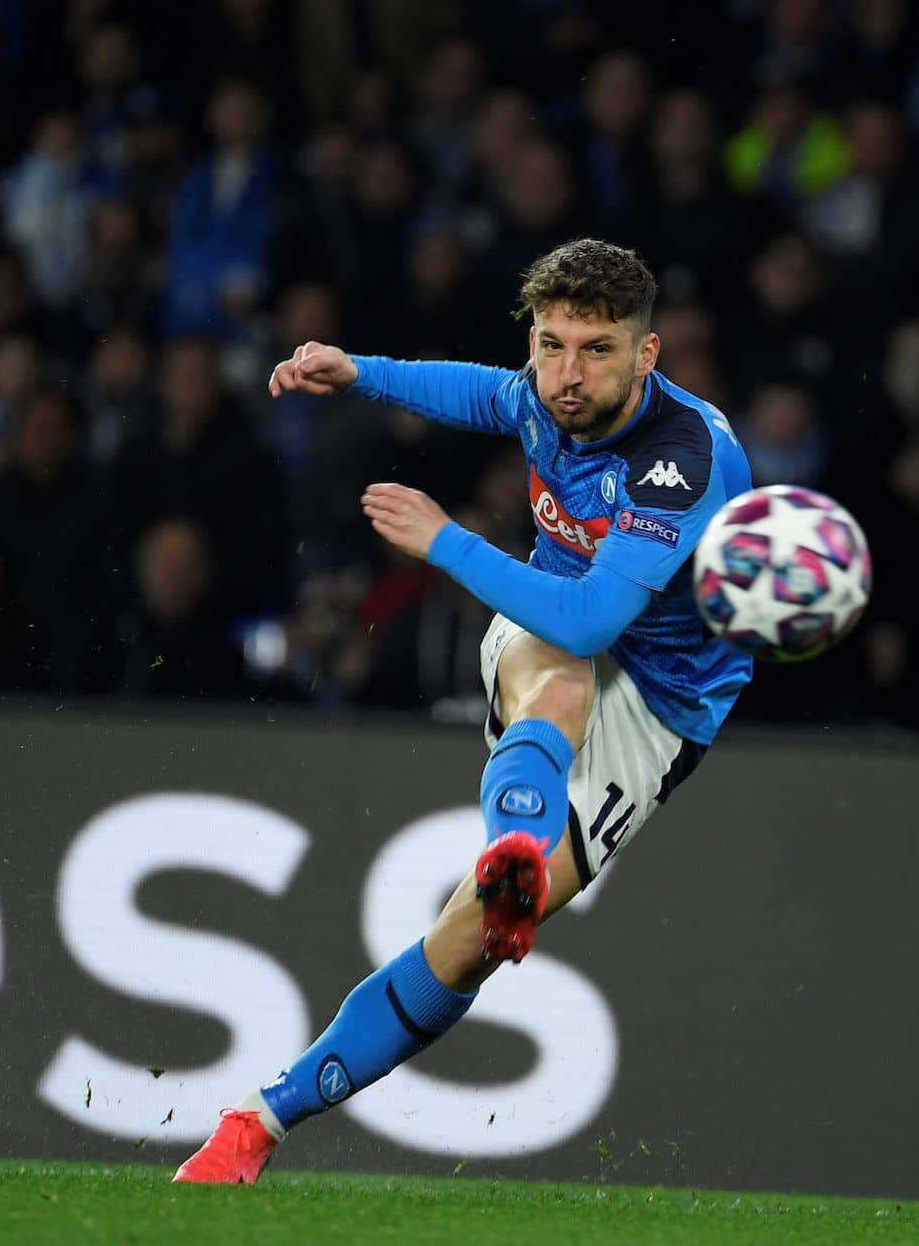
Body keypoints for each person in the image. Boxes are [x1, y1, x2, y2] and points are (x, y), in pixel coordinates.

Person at [174, 238, 753, 1183]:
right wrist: (359, 370)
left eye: (597, 350)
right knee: (559, 673)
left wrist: (445, 540)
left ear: (647, 357)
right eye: (553, 344)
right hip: (554, 636)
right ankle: (513, 848)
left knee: (469, 940)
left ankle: (261, 1116)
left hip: (662, 703)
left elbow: (599, 613)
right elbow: (477, 392)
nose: (568, 374)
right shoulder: (542, 390)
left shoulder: (680, 463)